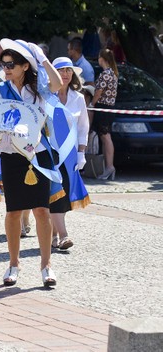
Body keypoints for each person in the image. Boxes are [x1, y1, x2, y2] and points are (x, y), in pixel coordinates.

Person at [0, 39, 62, 287]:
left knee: (41, 210)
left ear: (24, 66)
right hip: (11, 154)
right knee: (13, 211)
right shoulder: (0, 90)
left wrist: (42, 58)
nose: (6, 67)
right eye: (3, 63)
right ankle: (14, 263)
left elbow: (58, 84)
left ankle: (46, 265)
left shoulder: (38, 89)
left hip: (37, 154)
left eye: (11, 64)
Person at [50, 57, 91, 250]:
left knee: (64, 193)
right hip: (50, 152)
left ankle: (53, 234)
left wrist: (82, 152)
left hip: (71, 154)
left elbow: (83, 127)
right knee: (54, 192)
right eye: (60, 70)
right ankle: (64, 235)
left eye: (68, 70)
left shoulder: (79, 98)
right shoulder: (46, 96)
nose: (65, 74)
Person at [91, 48, 119, 180]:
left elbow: (99, 91)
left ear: (102, 59)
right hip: (109, 108)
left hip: (102, 108)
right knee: (105, 137)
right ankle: (108, 166)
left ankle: (109, 166)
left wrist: (92, 103)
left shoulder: (105, 74)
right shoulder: (113, 73)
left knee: (106, 137)